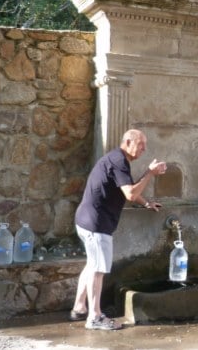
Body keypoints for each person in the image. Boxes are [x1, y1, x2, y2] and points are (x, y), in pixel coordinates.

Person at [70, 129, 167, 331]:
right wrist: (150, 173)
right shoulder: (119, 161)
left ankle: (79, 307)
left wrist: (146, 203)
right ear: (128, 142)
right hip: (97, 225)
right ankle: (94, 317)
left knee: (92, 265)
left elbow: (127, 189)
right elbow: (130, 193)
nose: (144, 149)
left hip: (86, 220)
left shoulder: (116, 159)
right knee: (98, 270)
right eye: (141, 144)